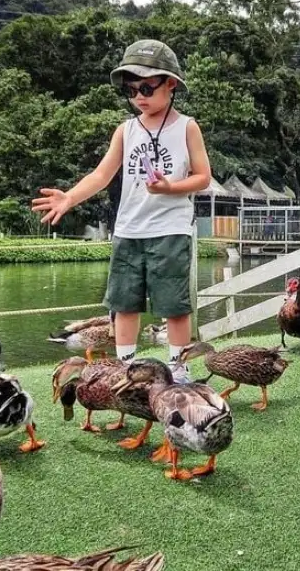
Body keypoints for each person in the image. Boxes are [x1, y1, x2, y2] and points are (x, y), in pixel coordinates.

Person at [31, 39, 212, 382]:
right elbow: (102, 174)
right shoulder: (125, 130)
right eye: (131, 90)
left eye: (146, 87)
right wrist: (69, 198)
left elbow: (203, 177)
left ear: (170, 84)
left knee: (174, 305)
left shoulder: (187, 127)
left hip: (169, 230)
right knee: (124, 304)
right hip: (128, 230)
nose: (138, 96)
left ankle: (177, 369)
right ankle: (128, 369)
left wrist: (170, 187)